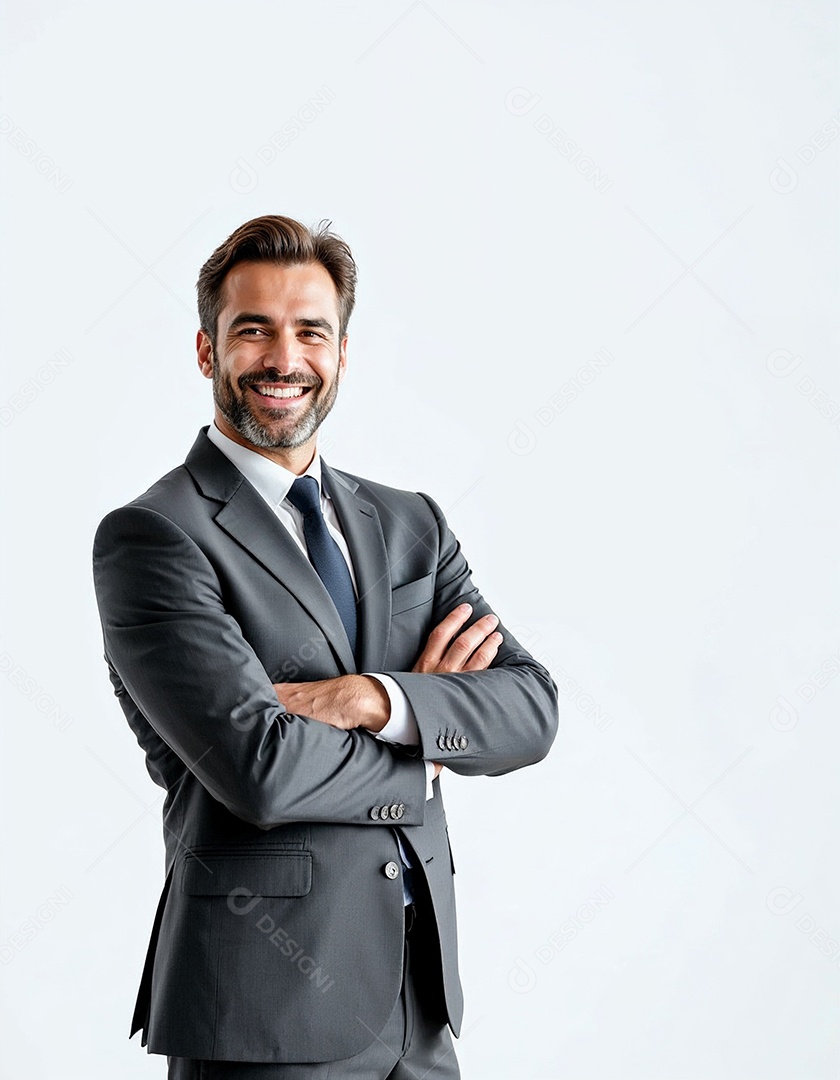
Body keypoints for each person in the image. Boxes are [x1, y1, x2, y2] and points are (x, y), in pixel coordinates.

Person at [92, 214, 559, 1078]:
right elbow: (258, 771)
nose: (284, 358)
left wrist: (374, 700)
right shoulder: (156, 537)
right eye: (253, 330)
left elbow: (531, 709)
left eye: (311, 331)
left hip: (419, 1009)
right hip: (263, 1015)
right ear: (207, 352)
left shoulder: (411, 523)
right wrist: (423, 751)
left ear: (344, 352)